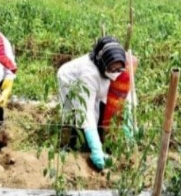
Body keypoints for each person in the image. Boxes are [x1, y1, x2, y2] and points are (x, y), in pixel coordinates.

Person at [57, 36, 134, 170]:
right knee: (77, 115)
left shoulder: (122, 68)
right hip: (69, 80)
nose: (116, 73)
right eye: (112, 69)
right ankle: (73, 144)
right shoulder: (89, 75)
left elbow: (126, 97)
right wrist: (96, 149)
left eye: (119, 69)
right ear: (103, 64)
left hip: (97, 83)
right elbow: (86, 112)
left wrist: (128, 125)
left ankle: (93, 140)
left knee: (98, 109)